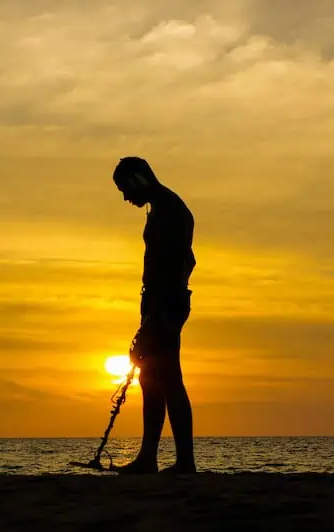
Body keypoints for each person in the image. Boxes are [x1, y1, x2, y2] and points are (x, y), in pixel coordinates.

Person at [110, 156, 196, 474]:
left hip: (166, 304)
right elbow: (189, 261)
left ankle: (182, 461)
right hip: (162, 302)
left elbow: (178, 264)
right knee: (151, 379)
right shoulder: (162, 208)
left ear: (138, 180)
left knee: (169, 378)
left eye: (125, 189)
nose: (125, 197)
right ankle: (150, 457)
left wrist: (159, 311)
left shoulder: (169, 211)